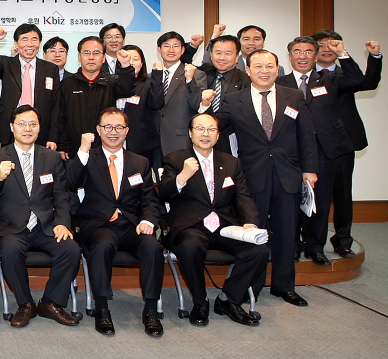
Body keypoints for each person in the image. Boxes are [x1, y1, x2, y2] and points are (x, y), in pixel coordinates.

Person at [215, 49, 318, 307]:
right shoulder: (233, 99)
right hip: (251, 175)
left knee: (286, 232)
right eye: (258, 66)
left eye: (269, 66)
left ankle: (284, 286)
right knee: (255, 232)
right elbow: (215, 128)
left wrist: (310, 170)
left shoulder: (294, 96)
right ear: (248, 70)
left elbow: (306, 135)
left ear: (277, 69)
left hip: (287, 173)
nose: (264, 71)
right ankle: (253, 285)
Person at [160, 113, 269, 326]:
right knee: (190, 247)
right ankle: (200, 302)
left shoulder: (231, 162)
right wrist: (183, 176)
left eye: (211, 130)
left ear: (218, 135)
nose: (205, 134)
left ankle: (228, 299)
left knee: (258, 250)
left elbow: (242, 196)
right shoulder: (176, 159)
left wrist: (250, 223)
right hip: (191, 225)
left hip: (225, 226)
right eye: (200, 129)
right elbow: (164, 194)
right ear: (190, 133)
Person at [0, 105, 81, 328]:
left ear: (39, 128)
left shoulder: (51, 157)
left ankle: (50, 302)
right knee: (11, 252)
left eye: (32, 124)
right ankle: (25, 304)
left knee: (71, 250)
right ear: (12, 127)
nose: (27, 129)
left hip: (45, 226)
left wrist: (63, 223)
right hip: (11, 227)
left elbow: (61, 196)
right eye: (22, 124)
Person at [67, 108, 163, 337]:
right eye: (107, 127)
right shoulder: (88, 158)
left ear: (126, 131)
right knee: (102, 246)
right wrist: (82, 150)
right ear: (98, 130)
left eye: (119, 127)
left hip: (131, 225)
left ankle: (150, 310)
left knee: (152, 247)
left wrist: (148, 220)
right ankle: (102, 309)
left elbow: (150, 199)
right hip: (99, 225)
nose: (113, 132)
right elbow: (70, 181)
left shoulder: (140, 162)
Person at [276, 36, 362, 265]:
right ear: (290, 56)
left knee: (321, 202)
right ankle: (293, 246)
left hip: (324, 151)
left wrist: (342, 53)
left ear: (315, 56)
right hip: (290, 150)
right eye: (297, 52)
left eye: (308, 52)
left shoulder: (329, 79)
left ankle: (315, 248)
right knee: (291, 201)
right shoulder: (279, 82)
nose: (302, 56)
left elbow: (357, 80)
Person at [312, 31, 382, 258]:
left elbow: (368, 83)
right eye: (321, 45)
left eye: (332, 45)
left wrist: (373, 56)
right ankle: (312, 242)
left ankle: (342, 241)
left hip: (342, 143)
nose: (326, 49)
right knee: (314, 197)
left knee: (342, 194)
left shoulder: (346, 73)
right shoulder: (305, 74)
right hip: (313, 143)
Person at [51, 36, 135, 157]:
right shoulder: (67, 84)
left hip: (105, 148)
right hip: (74, 149)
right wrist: (62, 146)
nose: (91, 57)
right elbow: (60, 117)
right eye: (86, 53)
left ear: (104, 57)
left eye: (96, 53)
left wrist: (126, 65)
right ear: (79, 57)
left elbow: (126, 90)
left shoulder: (111, 81)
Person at [0, 24, 60, 148]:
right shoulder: (6, 63)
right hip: (10, 129)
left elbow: (55, 104)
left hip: (40, 130)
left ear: (39, 43)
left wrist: (53, 138)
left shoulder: (50, 69)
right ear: (16, 43)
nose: (30, 44)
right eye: (24, 39)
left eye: (34, 39)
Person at [152, 31, 208, 157]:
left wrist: (190, 80)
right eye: (166, 46)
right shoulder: (152, 76)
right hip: (154, 141)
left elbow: (198, 105)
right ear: (159, 49)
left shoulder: (196, 74)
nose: (171, 50)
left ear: (183, 50)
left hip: (181, 140)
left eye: (176, 46)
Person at [198, 34, 252, 155]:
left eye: (228, 53)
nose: (222, 57)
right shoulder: (202, 75)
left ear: (237, 57)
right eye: (218, 53)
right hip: (201, 140)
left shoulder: (246, 81)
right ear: (211, 55)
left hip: (231, 141)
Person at [118, 45, 163, 169]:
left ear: (142, 63)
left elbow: (156, 104)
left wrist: (157, 76)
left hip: (142, 142)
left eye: (135, 59)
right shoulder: (113, 82)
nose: (131, 62)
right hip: (115, 138)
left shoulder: (148, 83)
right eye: (127, 58)